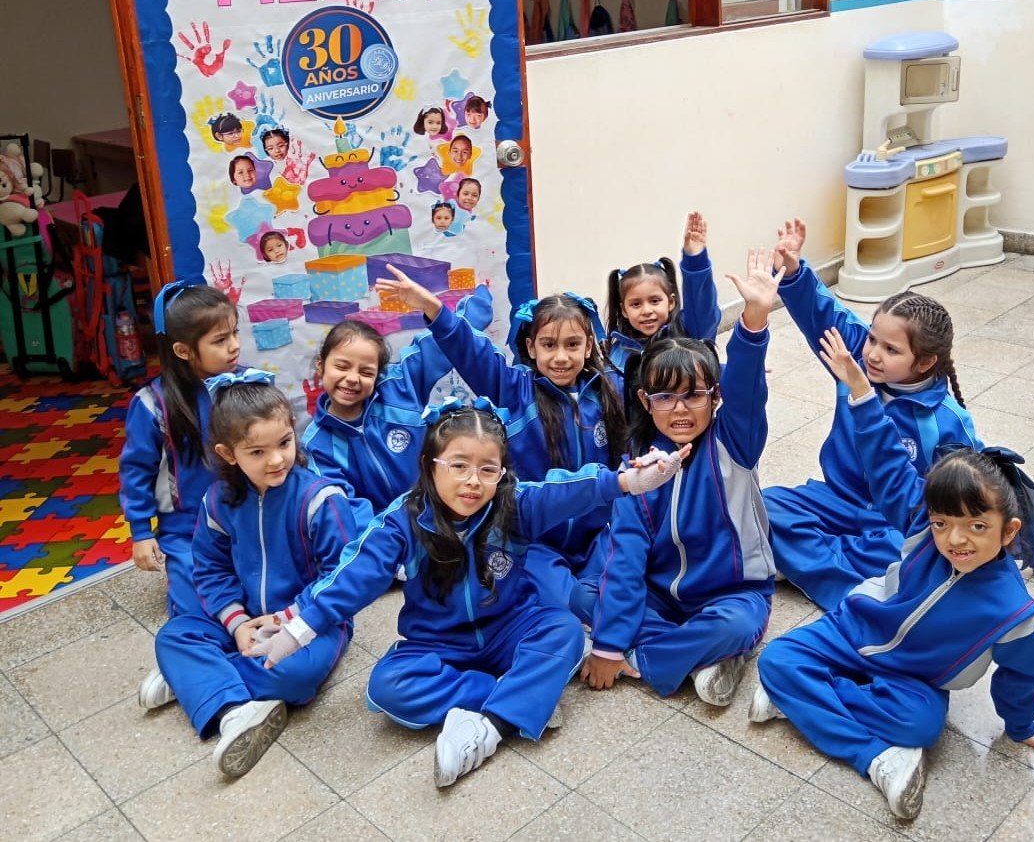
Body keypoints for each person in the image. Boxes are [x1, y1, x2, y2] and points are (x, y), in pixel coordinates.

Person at [247, 399, 685, 787]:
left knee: (565, 631)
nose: (473, 482)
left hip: (511, 626)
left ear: (502, 473)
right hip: (437, 642)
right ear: (430, 464)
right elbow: (351, 578)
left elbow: (573, 489)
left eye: (487, 469)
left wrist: (631, 481)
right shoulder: (401, 521)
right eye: (458, 465)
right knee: (387, 686)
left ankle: (490, 727)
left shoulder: (516, 503)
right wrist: (298, 628)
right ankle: (522, 695)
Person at [751, 354, 1034, 820]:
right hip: (852, 629)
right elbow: (886, 459)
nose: (955, 539)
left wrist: (1020, 727)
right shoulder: (922, 523)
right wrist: (862, 392)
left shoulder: (1018, 616)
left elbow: (1022, 677)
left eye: (977, 527)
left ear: (1009, 531)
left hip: (914, 679)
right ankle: (871, 750)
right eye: (943, 523)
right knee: (775, 660)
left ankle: (813, 706)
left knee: (920, 726)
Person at [583, 248, 780, 707]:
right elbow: (628, 556)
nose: (680, 409)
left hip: (733, 594)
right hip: (662, 596)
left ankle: (654, 659)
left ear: (715, 397)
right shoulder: (638, 467)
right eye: (665, 397)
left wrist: (753, 320)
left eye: (693, 396)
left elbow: (748, 385)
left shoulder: (735, 441)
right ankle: (704, 658)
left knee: (732, 625)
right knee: (583, 593)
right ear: (645, 400)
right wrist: (609, 644)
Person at [374, 270, 626, 621]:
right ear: (530, 347)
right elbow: (471, 351)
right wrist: (433, 307)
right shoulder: (514, 388)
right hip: (535, 540)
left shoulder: (610, 392)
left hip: (596, 535)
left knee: (616, 599)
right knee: (569, 605)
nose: (561, 357)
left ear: (588, 345)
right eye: (549, 345)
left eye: (572, 344)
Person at [142, 373, 358, 778]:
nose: (276, 459)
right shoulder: (218, 501)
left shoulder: (320, 500)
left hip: (312, 622)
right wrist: (238, 624)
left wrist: (287, 620)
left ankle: (199, 678)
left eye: (284, 443)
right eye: (257, 451)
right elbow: (211, 569)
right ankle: (228, 704)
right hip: (243, 621)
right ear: (228, 453)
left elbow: (341, 579)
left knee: (296, 676)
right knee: (174, 635)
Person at [763, 217, 983, 609]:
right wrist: (795, 270)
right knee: (760, 505)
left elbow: (979, 486)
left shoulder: (947, 420)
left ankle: (812, 563)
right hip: (835, 498)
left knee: (919, 551)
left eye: (892, 350)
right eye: (872, 340)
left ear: (926, 362)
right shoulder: (857, 356)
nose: (872, 354)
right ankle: (838, 565)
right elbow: (823, 313)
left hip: (891, 523)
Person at [301, 289, 493, 525]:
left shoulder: (398, 387)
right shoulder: (316, 444)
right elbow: (346, 510)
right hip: (394, 536)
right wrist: (390, 541)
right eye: (342, 366)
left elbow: (439, 346)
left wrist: (477, 307)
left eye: (366, 372)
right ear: (321, 366)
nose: (352, 378)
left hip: (449, 513)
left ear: (378, 374)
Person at [122, 280, 245, 628]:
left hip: (245, 517)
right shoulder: (152, 404)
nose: (234, 346)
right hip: (184, 530)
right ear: (182, 350)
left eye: (235, 333)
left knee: (266, 592)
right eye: (220, 340)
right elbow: (136, 471)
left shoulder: (247, 383)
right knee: (198, 610)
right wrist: (141, 533)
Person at [604, 211, 722, 372]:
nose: (646, 310)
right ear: (624, 310)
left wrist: (695, 261)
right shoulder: (617, 356)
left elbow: (703, 309)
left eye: (654, 301)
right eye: (636, 304)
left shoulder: (688, 334)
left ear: (671, 302)